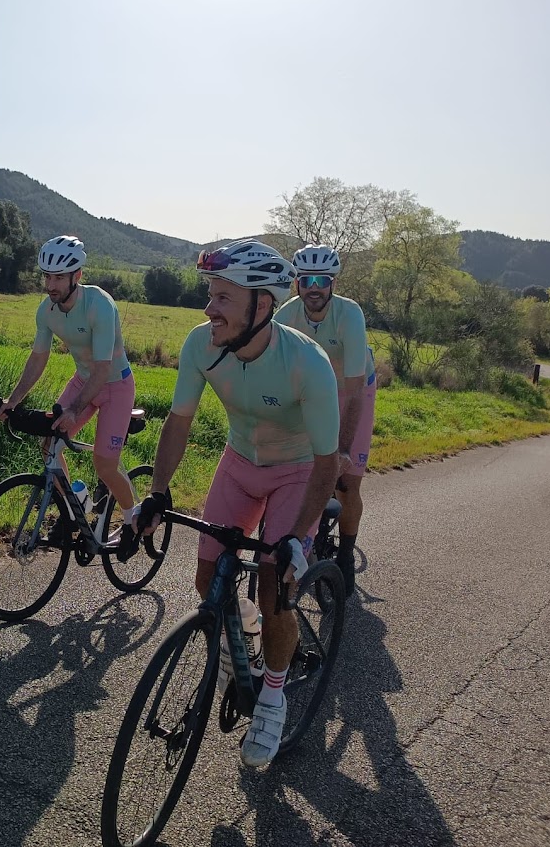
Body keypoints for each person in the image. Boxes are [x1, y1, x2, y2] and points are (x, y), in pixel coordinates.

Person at [137, 240, 339, 767]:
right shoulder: (201, 345)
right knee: (209, 582)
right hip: (239, 462)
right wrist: (158, 492)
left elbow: (327, 464)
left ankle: (273, 694)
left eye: (223, 297)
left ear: (262, 305)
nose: (209, 309)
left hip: (297, 472)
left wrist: (296, 536)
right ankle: (241, 638)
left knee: (275, 587)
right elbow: (178, 422)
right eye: (211, 294)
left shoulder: (306, 365)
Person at [0, 235, 143, 559]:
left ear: (77, 276)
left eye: (59, 277)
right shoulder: (47, 311)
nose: (51, 284)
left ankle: (134, 517)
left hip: (115, 385)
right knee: (50, 446)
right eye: (47, 276)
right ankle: (76, 506)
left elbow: (103, 370)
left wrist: (73, 411)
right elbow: (38, 359)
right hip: (83, 381)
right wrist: (13, 400)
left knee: (104, 464)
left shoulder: (99, 305)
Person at [275, 244, 377, 596]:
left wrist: (342, 449)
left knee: (347, 482)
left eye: (321, 280)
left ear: (332, 283)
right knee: (303, 469)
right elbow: (275, 373)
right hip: (316, 390)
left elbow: (353, 392)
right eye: (306, 280)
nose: (313, 287)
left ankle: (346, 554)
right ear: (298, 284)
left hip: (354, 389)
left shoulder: (349, 315)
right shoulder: (287, 316)